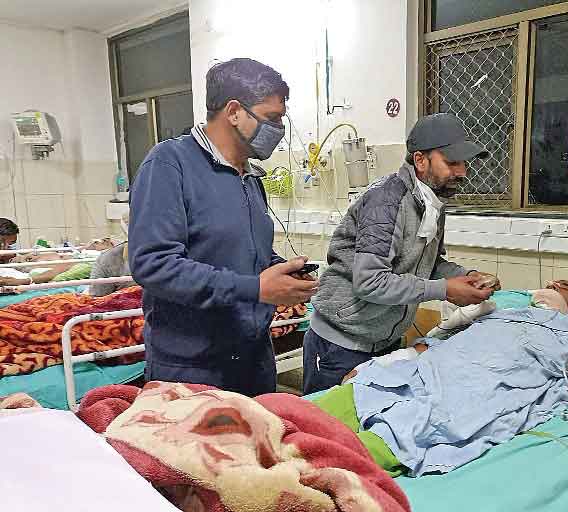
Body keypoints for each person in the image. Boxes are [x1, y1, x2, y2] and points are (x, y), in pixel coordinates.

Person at [128, 58, 317, 396]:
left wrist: (282, 271)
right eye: (272, 118)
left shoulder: (249, 177)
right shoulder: (170, 164)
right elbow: (153, 265)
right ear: (234, 112)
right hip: (193, 368)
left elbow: (245, 253)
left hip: (253, 358)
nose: (279, 130)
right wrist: (254, 288)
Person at [303, 113, 499, 394]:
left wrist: (467, 276)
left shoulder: (432, 204)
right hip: (341, 345)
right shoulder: (386, 202)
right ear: (420, 160)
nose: (462, 172)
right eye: (452, 162)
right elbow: (370, 282)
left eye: (464, 163)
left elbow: (427, 264)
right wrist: (445, 290)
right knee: (326, 419)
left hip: (386, 341)